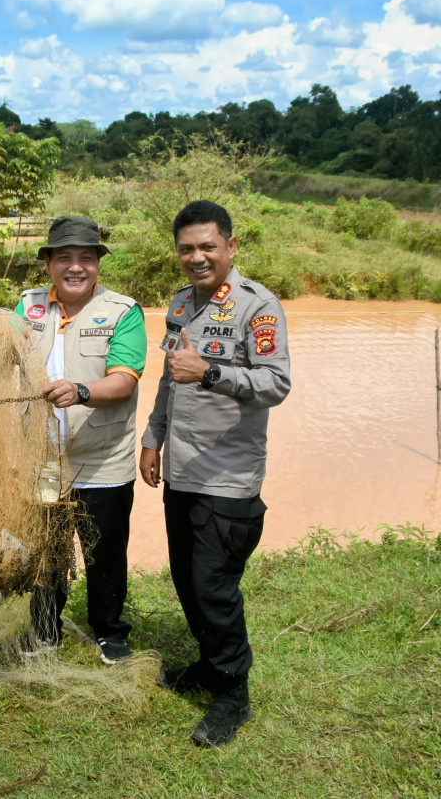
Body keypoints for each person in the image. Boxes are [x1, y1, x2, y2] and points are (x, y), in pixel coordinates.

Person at [139, 200, 291, 747]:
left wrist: (212, 372)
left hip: (227, 475)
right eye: (186, 248)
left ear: (230, 246)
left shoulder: (259, 307)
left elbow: (276, 384)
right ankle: (209, 665)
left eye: (208, 246)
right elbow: (167, 377)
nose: (197, 257)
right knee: (186, 577)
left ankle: (232, 694)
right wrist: (153, 436)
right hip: (181, 469)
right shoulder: (181, 304)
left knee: (213, 586)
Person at [14, 216, 147, 664]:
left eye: (86, 258)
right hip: (42, 458)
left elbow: (124, 381)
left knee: (104, 553)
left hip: (103, 459)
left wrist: (80, 391)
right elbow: (6, 360)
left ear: (98, 264)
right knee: (47, 550)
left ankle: (110, 632)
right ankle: (45, 630)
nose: (76, 267)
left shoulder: (122, 311)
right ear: (48, 263)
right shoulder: (28, 307)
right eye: (65, 258)